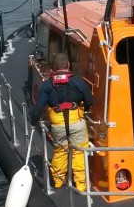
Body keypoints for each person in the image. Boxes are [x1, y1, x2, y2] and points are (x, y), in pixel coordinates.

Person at [30, 53, 95, 191]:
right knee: (79, 152)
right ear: (68, 66)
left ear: (53, 68)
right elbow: (89, 99)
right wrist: (86, 109)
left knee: (60, 152)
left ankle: (59, 182)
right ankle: (81, 185)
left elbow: (38, 108)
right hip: (77, 123)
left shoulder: (47, 85)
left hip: (58, 125)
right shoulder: (77, 81)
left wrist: (33, 121)